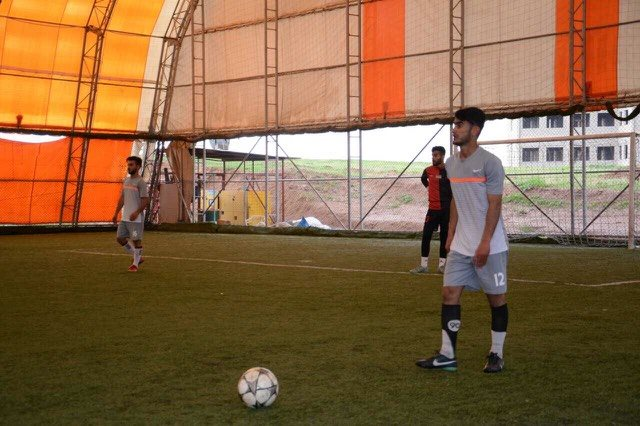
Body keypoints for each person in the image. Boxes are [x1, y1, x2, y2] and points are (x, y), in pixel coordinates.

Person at [416, 107, 509, 373]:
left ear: (475, 130)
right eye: (454, 124)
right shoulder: (452, 164)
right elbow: (457, 199)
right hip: (460, 245)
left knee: (496, 299)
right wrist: (451, 233)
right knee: (449, 294)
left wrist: (485, 242)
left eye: (459, 125)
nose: (454, 129)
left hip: (491, 246)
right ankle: (447, 355)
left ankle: (496, 353)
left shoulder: (491, 163)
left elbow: (495, 205)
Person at [410, 146, 452, 274]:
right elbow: (423, 178)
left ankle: (442, 266)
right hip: (432, 210)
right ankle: (423, 266)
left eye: (436, 155)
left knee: (444, 237)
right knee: (426, 236)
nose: (434, 157)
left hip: (446, 210)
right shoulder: (428, 170)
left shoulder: (450, 171)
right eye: (433, 155)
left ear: (443, 156)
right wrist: (428, 187)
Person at [112, 156, 149, 272]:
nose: (129, 167)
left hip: (136, 219)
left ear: (138, 166)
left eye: (131, 165)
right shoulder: (126, 181)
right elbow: (122, 198)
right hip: (125, 218)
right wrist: (116, 213)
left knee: (136, 240)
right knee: (120, 238)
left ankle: (135, 264)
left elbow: (145, 200)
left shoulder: (141, 182)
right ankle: (137, 257)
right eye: (128, 165)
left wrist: (137, 212)